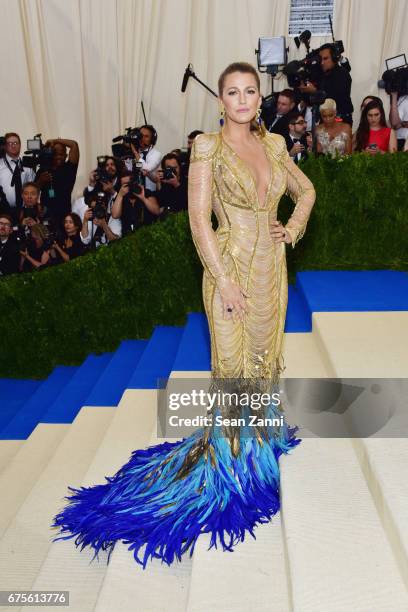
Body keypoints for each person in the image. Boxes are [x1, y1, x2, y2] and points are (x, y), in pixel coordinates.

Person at [52, 61, 315, 567]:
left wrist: (293, 228)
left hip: (271, 270)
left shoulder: (277, 147)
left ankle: (258, 452)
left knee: (264, 361)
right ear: (220, 101)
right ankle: (228, 472)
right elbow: (198, 221)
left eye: (250, 91)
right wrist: (225, 281)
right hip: (229, 267)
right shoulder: (208, 149)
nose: (242, 100)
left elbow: (306, 191)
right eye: (232, 92)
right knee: (232, 368)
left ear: (260, 98)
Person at [300, 44, 354, 125]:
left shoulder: (342, 74)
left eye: (325, 59)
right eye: (320, 59)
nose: (322, 62)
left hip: (340, 120)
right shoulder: (321, 74)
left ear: (334, 58)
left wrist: (314, 91)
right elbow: (311, 100)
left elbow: (334, 99)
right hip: (324, 120)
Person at [36, 138, 80, 230]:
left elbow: (74, 145)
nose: (58, 157)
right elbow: (33, 191)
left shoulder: (69, 168)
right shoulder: (43, 170)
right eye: (55, 154)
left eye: (61, 154)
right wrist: (41, 181)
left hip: (63, 213)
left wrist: (54, 140)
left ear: (66, 155)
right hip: (46, 213)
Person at [0, 133, 36, 224]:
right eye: (9, 143)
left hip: (24, 212)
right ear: (5, 146)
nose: (13, 146)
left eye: (16, 143)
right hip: (3, 212)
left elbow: (32, 188)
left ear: (20, 145)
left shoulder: (28, 165)